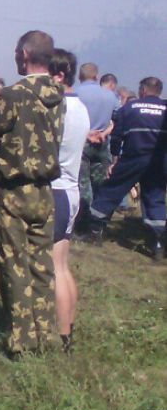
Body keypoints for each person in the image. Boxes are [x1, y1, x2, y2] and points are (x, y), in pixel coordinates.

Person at [0, 30, 64, 357]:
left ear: (24, 54)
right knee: (42, 265)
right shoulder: (58, 93)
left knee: (15, 265)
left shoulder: (11, 95)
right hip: (45, 190)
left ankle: (22, 340)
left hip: (13, 191)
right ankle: (47, 335)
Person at [86, 76, 167, 259]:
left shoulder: (129, 108)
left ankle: (95, 231)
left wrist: (115, 159)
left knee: (111, 190)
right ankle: (158, 243)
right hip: (158, 160)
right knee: (155, 198)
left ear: (143, 90)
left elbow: (117, 136)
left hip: (133, 158)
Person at [48, 50, 90, 353]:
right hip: (71, 190)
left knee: (54, 268)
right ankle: (69, 327)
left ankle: (62, 336)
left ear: (59, 76)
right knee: (62, 265)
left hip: (56, 190)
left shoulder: (60, 108)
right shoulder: (81, 108)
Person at [74, 62, 116, 230]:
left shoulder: (76, 93)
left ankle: (83, 221)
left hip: (82, 142)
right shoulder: (110, 96)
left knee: (82, 183)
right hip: (102, 142)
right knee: (101, 183)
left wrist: (87, 133)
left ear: (80, 76)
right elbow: (116, 120)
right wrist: (102, 134)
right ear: (96, 76)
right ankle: (99, 222)